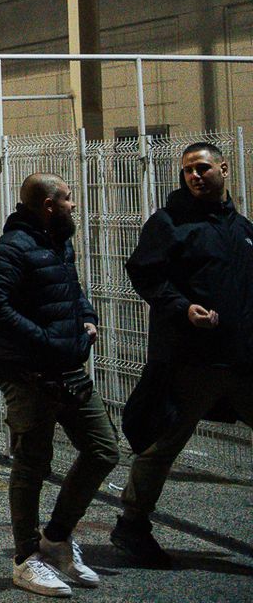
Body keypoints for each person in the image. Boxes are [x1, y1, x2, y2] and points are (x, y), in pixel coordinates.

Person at [111, 141, 253, 567]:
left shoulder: (242, 228)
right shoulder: (170, 223)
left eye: (202, 168)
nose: (194, 176)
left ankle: (133, 525)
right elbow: (145, 274)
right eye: (188, 170)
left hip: (241, 359)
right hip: (193, 361)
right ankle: (133, 525)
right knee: (163, 443)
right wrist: (181, 308)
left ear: (224, 169)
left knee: (165, 443)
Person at [0, 173, 116, 597]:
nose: (75, 205)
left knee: (104, 449)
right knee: (31, 464)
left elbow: (70, 291)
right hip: (29, 376)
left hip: (69, 371)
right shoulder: (10, 249)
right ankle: (25, 559)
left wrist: (86, 317)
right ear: (49, 204)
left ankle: (55, 539)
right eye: (68, 198)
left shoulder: (58, 242)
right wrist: (49, 340)